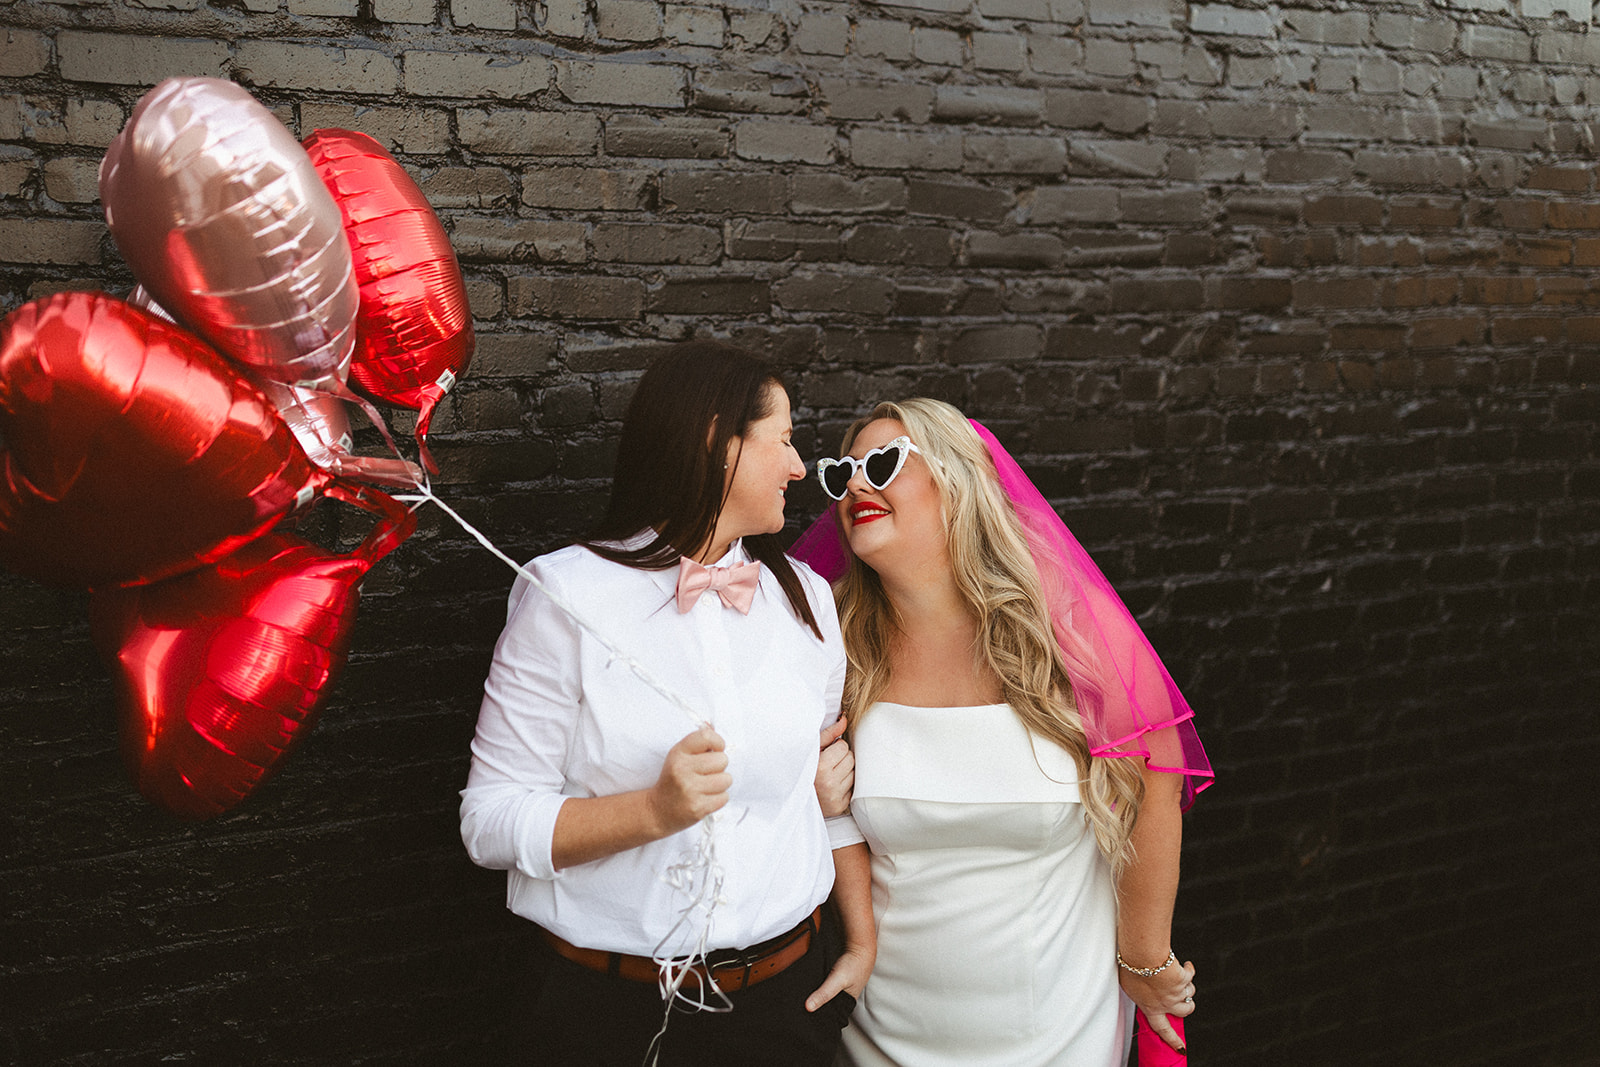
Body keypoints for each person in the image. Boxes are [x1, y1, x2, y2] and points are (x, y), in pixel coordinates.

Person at [460, 341, 875, 1066]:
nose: (800, 467)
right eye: (782, 440)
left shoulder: (806, 599)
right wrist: (652, 811)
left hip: (784, 1007)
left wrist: (861, 941)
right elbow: (489, 820)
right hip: (607, 1016)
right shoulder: (567, 595)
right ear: (718, 442)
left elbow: (824, 795)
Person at [794, 398, 1213, 1067]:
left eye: (883, 463)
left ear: (960, 480)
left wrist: (1142, 957)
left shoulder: (1072, 635)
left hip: (1059, 1031)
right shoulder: (837, 652)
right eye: (842, 473)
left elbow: (1155, 786)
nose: (856, 486)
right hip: (882, 1032)